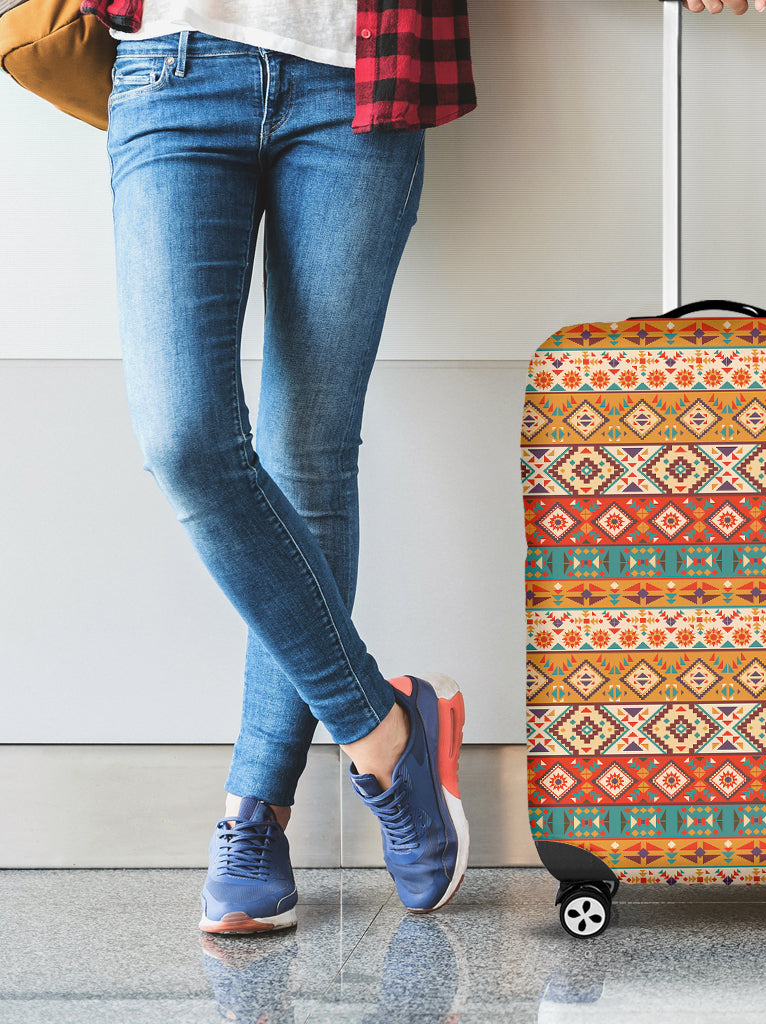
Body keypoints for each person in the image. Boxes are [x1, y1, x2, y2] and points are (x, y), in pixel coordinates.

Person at [83, 0, 475, 933]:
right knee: (184, 441)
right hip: (173, 69)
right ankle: (386, 730)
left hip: (359, 79)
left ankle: (255, 813)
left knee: (308, 454)